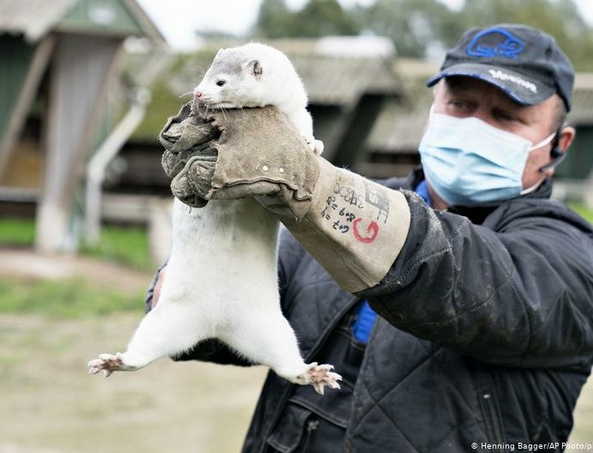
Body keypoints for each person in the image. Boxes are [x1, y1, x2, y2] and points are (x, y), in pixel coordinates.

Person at [151, 23, 593, 452]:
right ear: (434, 107)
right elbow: (233, 316)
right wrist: (186, 287)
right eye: (460, 104)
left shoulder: (570, 255)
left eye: (505, 116)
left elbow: (459, 275)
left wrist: (312, 186)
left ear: (560, 145)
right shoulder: (336, 207)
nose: (476, 125)